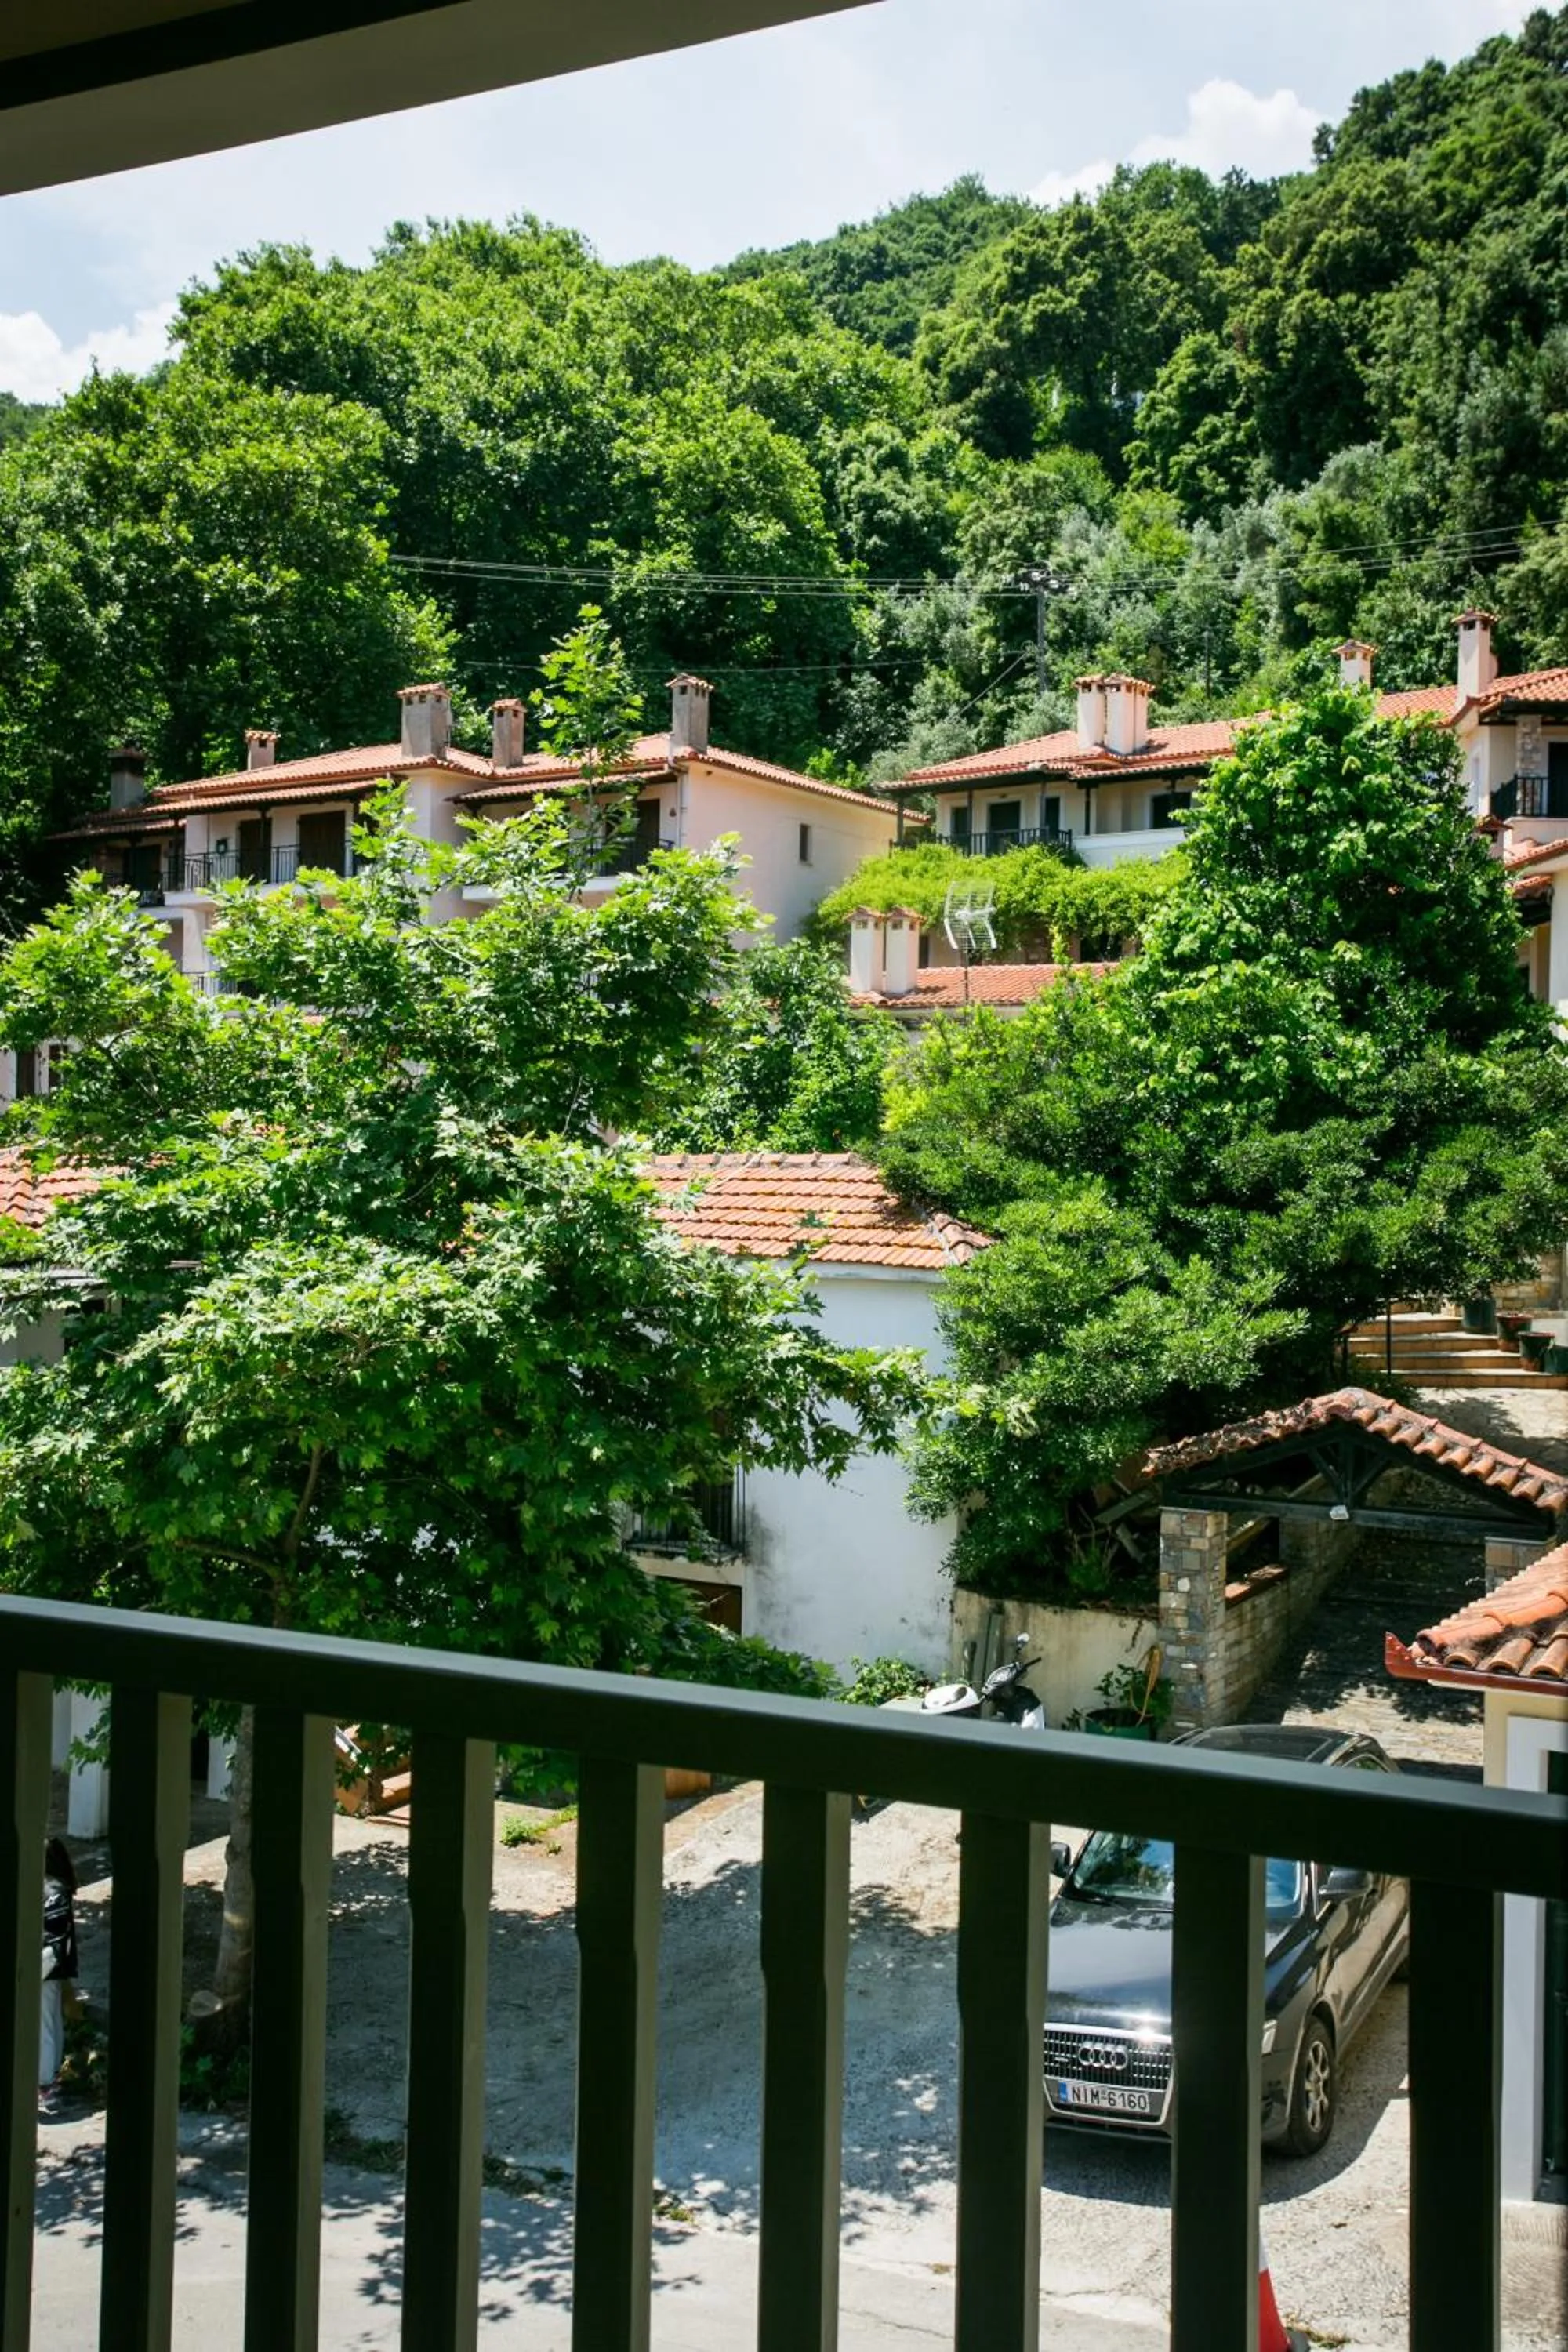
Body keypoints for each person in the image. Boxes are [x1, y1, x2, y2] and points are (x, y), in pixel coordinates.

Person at [39, 1838, 78, 2096]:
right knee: (51, 2018)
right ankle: (50, 2075)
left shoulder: (50, 1890)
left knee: (44, 2022)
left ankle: (43, 2082)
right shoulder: (61, 1887)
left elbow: (49, 1933)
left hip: (45, 1963)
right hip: (57, 1963)